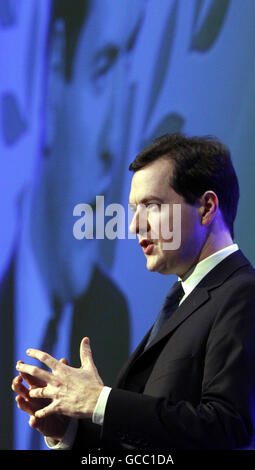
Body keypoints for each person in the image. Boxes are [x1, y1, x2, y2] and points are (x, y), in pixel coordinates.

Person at [12, 133, 255, 450]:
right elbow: (153, 441)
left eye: (152, 206)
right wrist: (70, 432)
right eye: (132, 209)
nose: (134, 226)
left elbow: (228, 428)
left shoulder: (242, 293)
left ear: (207, 208)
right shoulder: (183, 300)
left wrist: (101, 401)